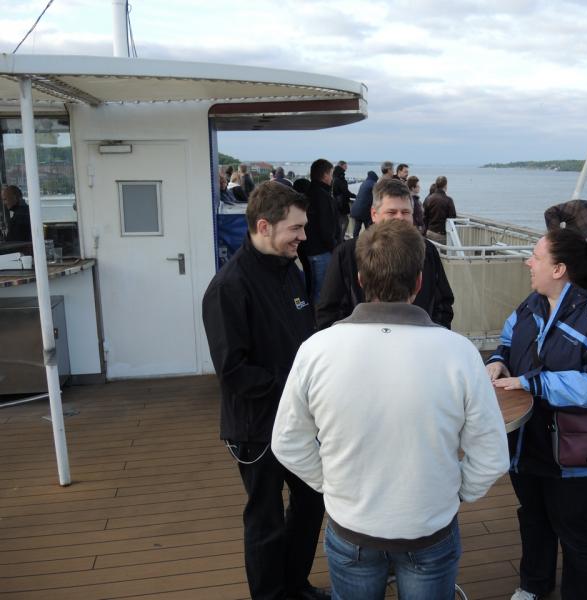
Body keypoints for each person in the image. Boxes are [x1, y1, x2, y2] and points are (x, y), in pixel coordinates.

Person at [272, 219, 509, 600]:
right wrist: (454, 493)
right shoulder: (459, 353)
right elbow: (492, 455)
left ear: (361, 279)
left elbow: (287, 442)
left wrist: (331, 485)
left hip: (351, 527)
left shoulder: (316, 350)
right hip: (430, 529)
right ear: (419, 281)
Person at [487, 228, 587, 600]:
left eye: (536, 257)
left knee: (576, 531)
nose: (528, 262)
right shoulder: (533, 304)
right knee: (534, 516)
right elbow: (508, 338)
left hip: (579, 453)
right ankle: (533, 585)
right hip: (531, 441)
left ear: (559, 269)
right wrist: (498, 361)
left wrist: (534, 383)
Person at [201, 182, 328, 600]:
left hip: (299, 421)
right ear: (263, 226)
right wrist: (294, 389)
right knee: (265, 518)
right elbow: (233, 371)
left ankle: (294, 584)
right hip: (256, 428)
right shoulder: (228, 287)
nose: (303, 237)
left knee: (311, 502)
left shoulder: (291, 270)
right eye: (296, 228)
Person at [317, 178, 454, 329]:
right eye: (391, 212)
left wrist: (432, 335)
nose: (400, 217)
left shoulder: (428, 251)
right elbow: (329, 310)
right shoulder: (347, 253)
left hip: (419, 338)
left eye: (405, 212)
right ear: (374, 214)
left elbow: (443, 303)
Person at [302, 158, 338, 302]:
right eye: (331, 174)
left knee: (312, 287)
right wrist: (334, 247)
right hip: (321, 251)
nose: (332, 178)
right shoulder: (323, 197)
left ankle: (312, 313)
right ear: (325, 175)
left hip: (308, 248)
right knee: (321, 291)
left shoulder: (308, 193)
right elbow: (326, 228)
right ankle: (318, 316)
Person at [423, 175, 456, 244]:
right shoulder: (448, 200)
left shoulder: (428, 199)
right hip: (442, 234)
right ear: (445, 185)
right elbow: (452, 217)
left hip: (429, 232)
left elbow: (424, 216)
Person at [331, 161, 355, 242]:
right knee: (345, 221)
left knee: (339, 222)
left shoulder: (333, 177)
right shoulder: (340, 178)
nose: (346, 168)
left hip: (335, 204)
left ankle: (339, 239)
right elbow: (345, 191)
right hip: (341, 204)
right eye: (345, 166)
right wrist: (354, 196)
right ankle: (340, 240)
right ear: (341, 167)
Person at [350, 170, 378, 238]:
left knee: (357, 229)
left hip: (356, 209)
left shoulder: (364, 183)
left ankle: (354, 242)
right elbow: (377, 196)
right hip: (364, 210)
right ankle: (368, 241)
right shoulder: (373, 184)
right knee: (369, 229)